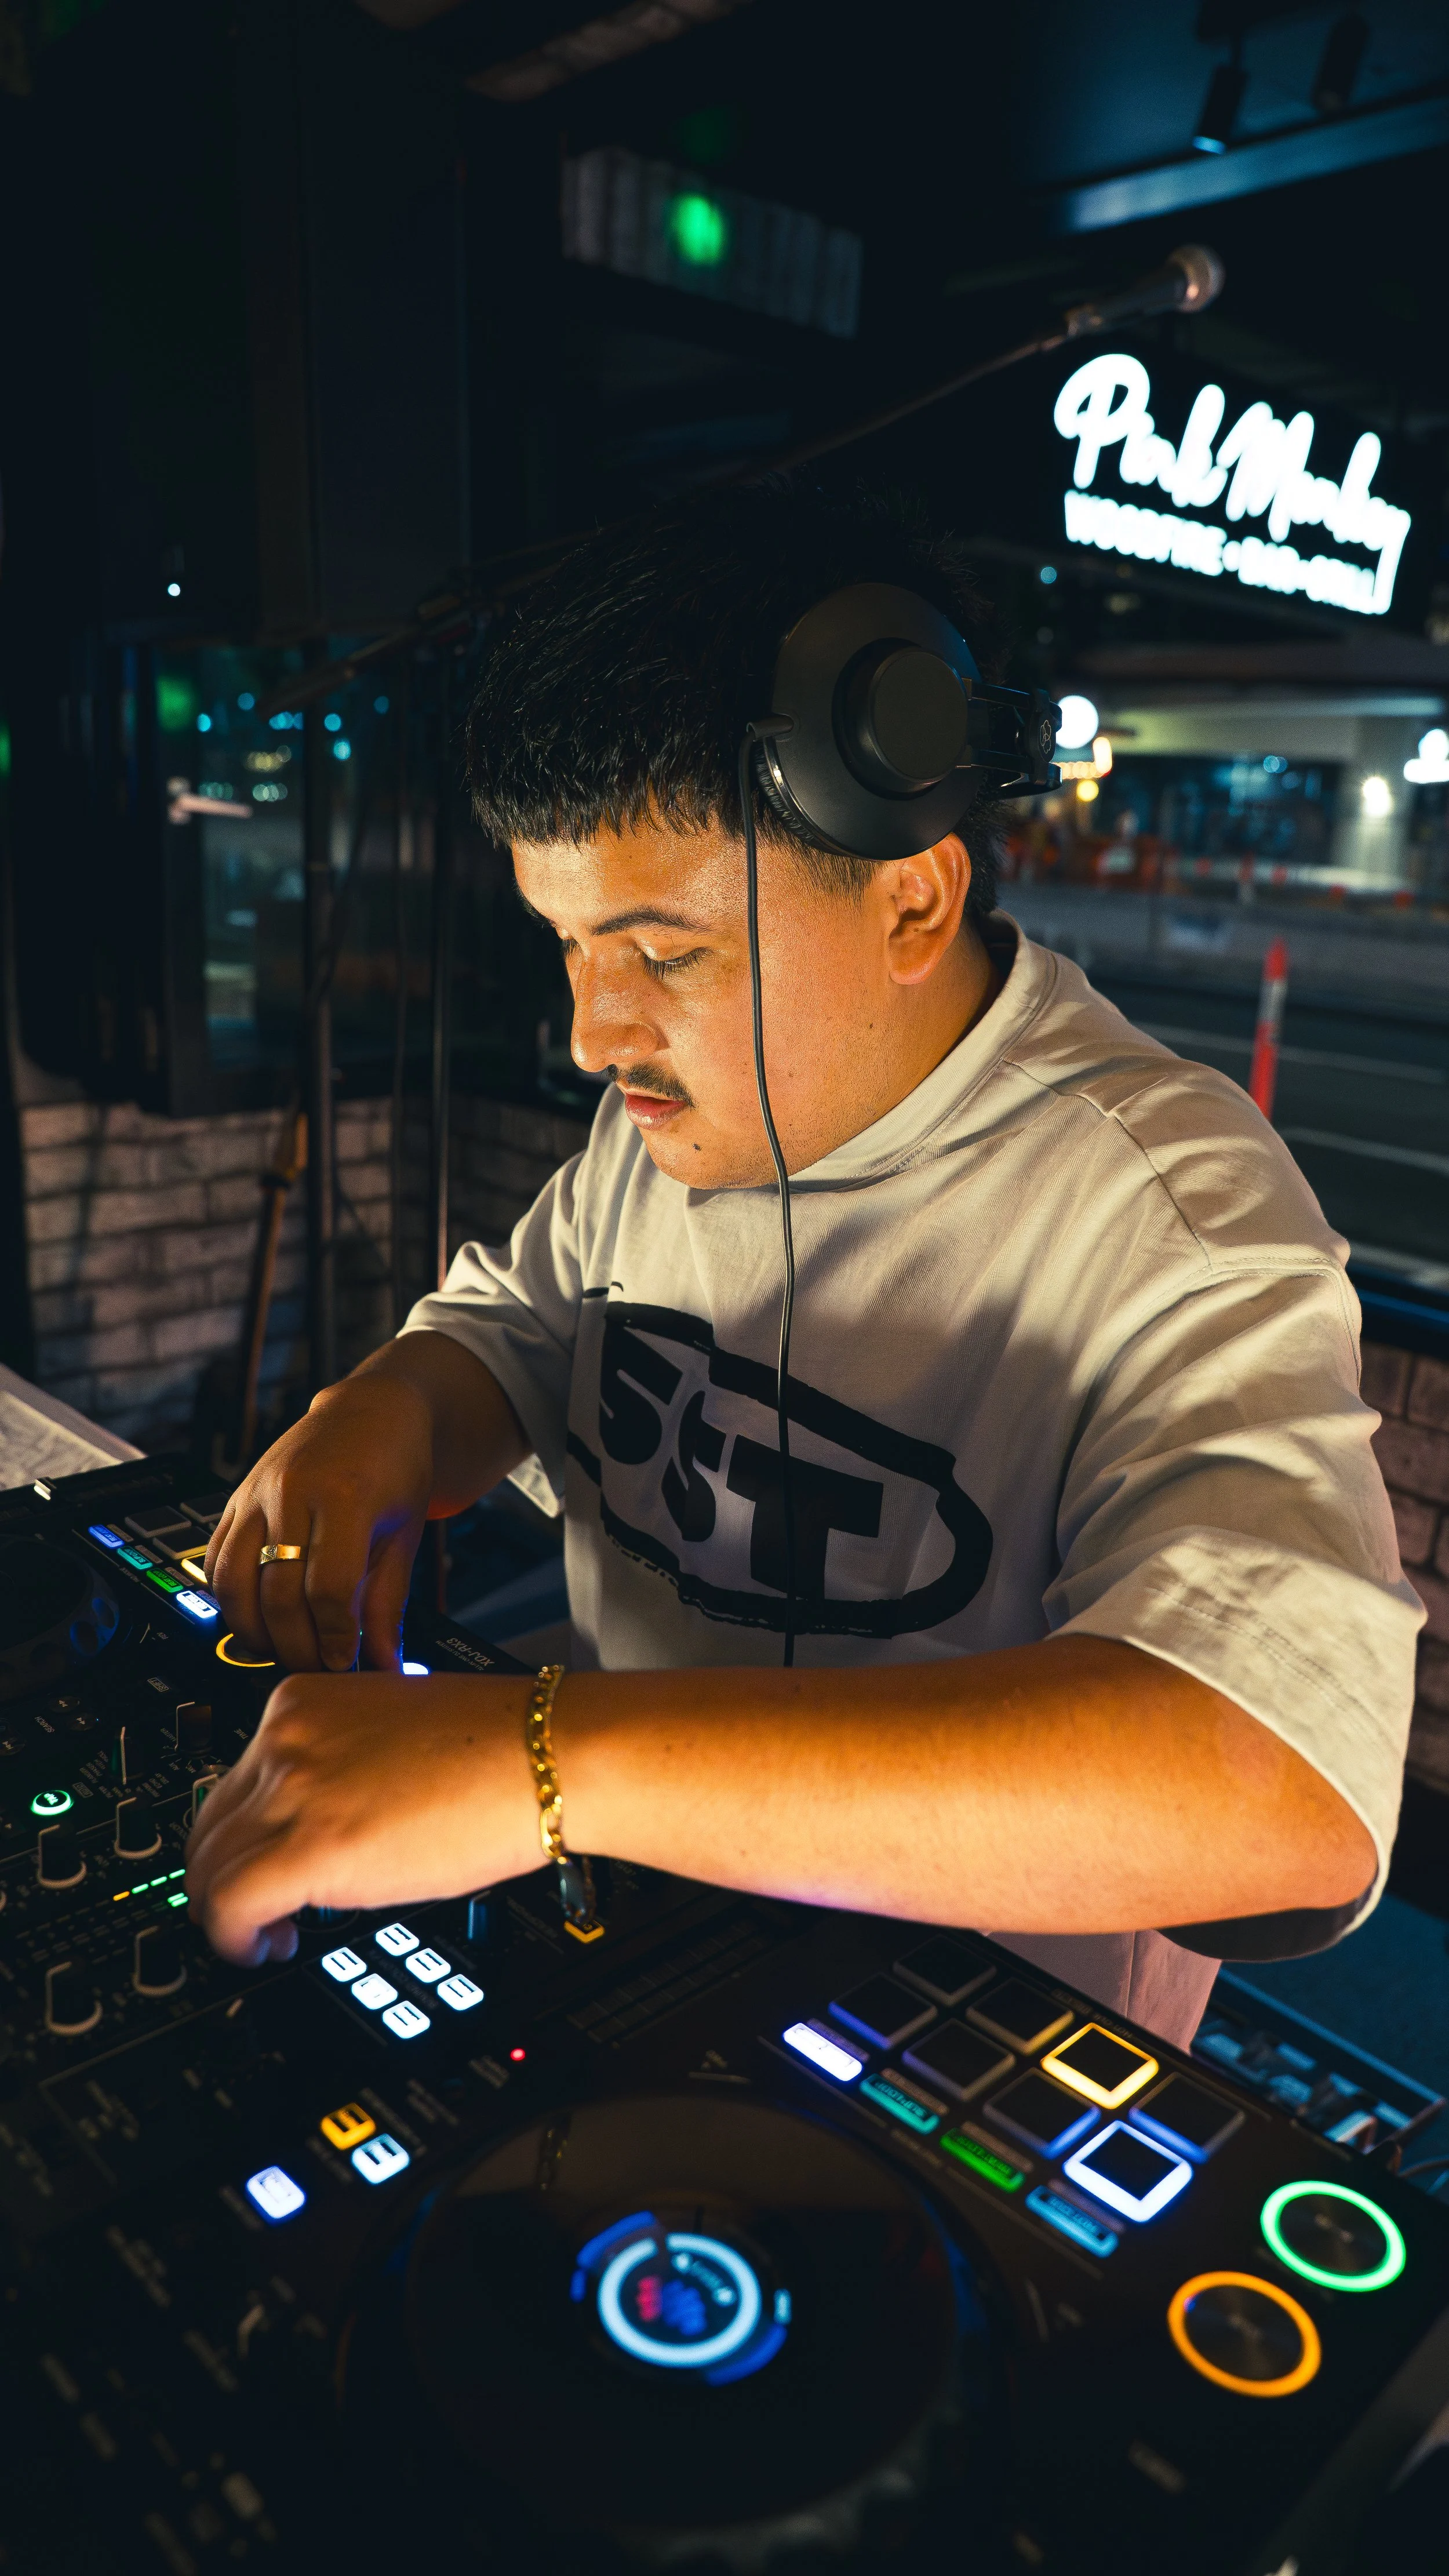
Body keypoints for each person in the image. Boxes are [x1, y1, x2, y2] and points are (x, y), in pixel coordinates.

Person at [187, 484, 1418, 2047]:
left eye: (667, 955)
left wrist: (542, 1761)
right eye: (569, 944)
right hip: (633, 1920)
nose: (592, 1030)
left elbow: (1279, 1785)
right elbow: (519, 1325)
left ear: (911, 896)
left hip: (959, 2043)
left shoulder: (1172, 1211)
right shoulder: (661, 1115)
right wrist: (376, 1415)